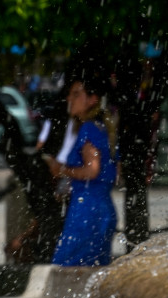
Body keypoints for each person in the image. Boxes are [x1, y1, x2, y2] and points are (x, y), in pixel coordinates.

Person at [46, 77, 118, 267]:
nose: (70, 98)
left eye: (76, 94)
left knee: (64, 270)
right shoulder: (102, 129)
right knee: (90, 273)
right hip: (101, 206)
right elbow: (110, 172)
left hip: (87, 209)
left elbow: (92, 170)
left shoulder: (88, 129)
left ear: (92, 99)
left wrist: (61, 170)